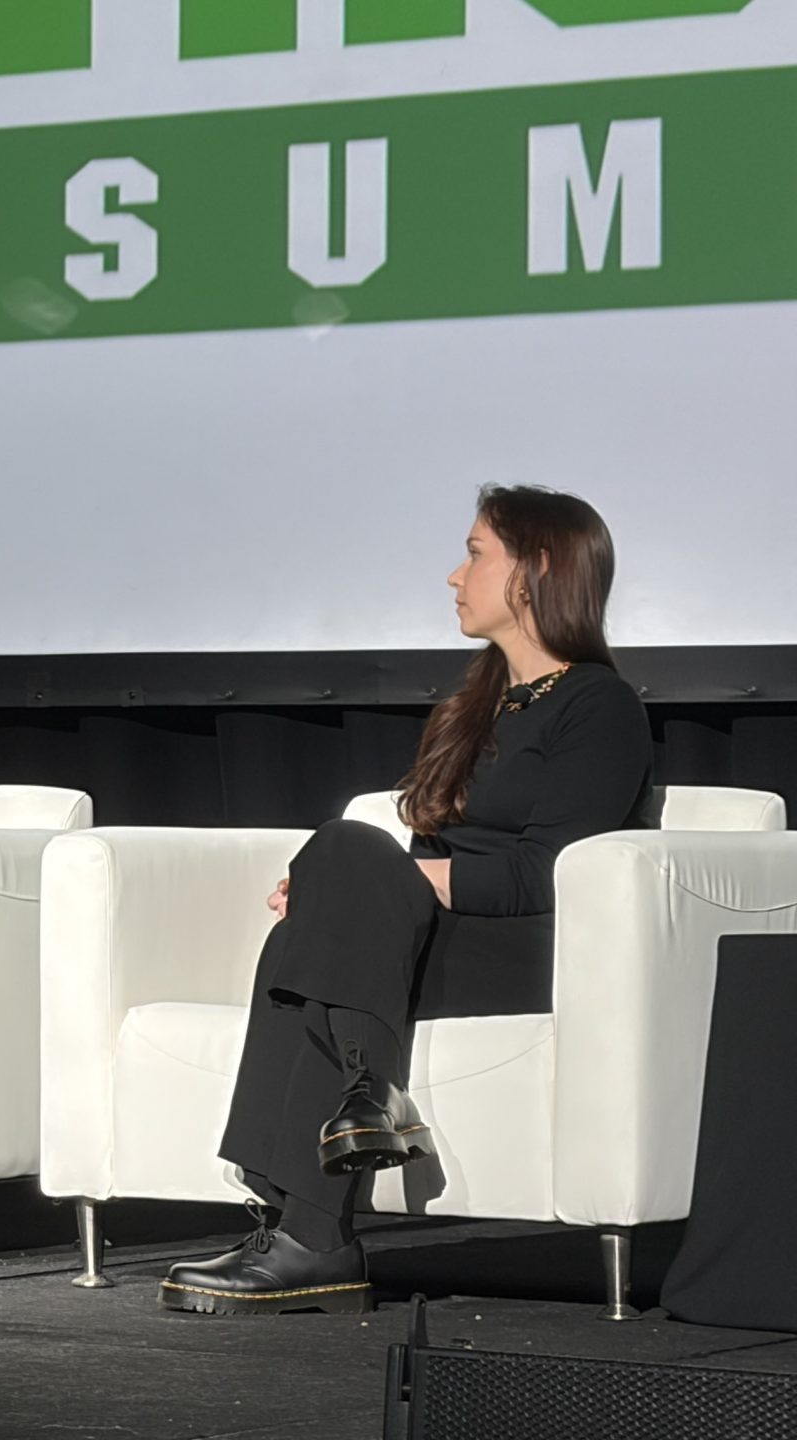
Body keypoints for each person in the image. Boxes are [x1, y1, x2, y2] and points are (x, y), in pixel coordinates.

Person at [162, 486, 652, 1315]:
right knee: (323, 893)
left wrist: (377, 884)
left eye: (475, 554)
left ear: (535, 570)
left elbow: (550, 873)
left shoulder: (600, 706)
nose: (455, 575)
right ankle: (348, 1139)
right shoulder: (476, 705)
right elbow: (428, 848)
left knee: (341, 861)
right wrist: (350, 891)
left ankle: (315, 1225)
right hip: (440, 935)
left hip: (531, 945)